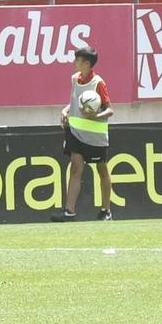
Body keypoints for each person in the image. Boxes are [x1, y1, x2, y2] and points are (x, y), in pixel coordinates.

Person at [54, 45, 112, 221]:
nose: (74, 62)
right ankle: (69, 212)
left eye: (77, 59)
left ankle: (106, 211)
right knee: (76, 168)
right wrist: (65, 111)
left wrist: (94, 116)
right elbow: (74, 103)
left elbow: (110, 110)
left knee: (102, 170)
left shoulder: (98, 83)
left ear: (86, 63)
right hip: (75, 132)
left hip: (94, 136)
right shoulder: (74, 79)